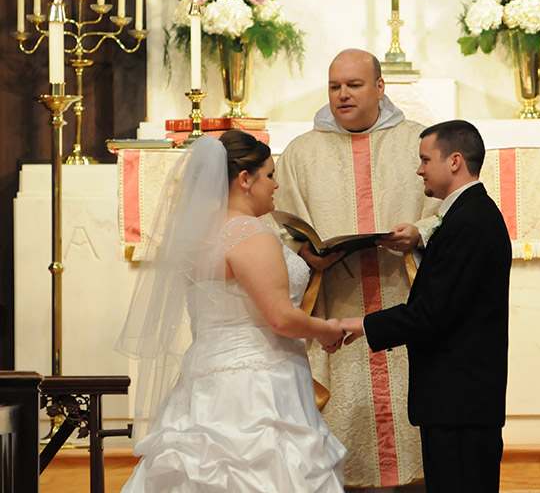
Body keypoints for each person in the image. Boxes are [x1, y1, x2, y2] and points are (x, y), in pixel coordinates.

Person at [115, 130, 347, 492]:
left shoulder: (202, 234)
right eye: (269, 175)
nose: (275, 185)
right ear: (244, 180)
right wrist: (327, 329)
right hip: (259, 383)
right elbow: (280, 318)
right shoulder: (249, 233)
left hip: (207, 373)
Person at [274, 49, 439, 491]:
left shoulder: (419, 142)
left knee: (411, 416)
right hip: (333, 303)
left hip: (402, 295)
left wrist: (418, 233)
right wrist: (305, 253)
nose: (342, 95)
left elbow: (449, 208)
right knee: (341, 418)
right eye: (334, 86)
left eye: (354, 85)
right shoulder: (301, 153)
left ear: (381, 88)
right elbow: (281, 223)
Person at [341, 120, 512, 493]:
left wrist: (362, 325)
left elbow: (433, 312)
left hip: (460, 399)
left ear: (454, 161)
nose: (419, 169)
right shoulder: (465, 214)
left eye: (424, 159)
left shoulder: (470, 219)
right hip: (459, 397)